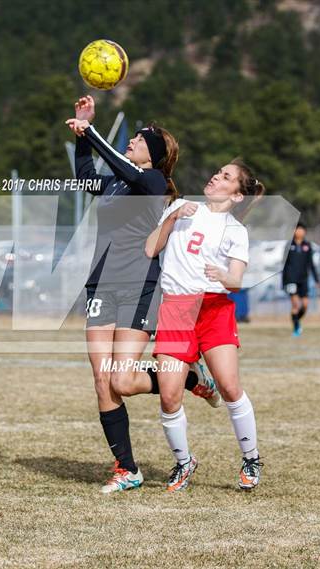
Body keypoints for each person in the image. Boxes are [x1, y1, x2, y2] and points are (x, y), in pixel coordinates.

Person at [66, 95, 221, 494]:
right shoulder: (119, 179)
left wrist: (93, 132)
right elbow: (86, 178)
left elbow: (129, 171)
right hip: (101, 283)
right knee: (103, 382)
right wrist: (83, 136)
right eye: (131, 137)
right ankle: (127, 468)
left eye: (138, 139)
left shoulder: (152, 180)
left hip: (139, 285)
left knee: (123, 381)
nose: (132, 141)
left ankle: (187, 376)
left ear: (153, 152)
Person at [145, 159, 265, 492]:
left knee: (228, 387)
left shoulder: (235, 231)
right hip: (175, 309)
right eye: (218, 172)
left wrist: (222, 275)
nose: (216, 176)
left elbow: (237, 281)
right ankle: (184, 463)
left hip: (213, 309)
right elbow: (150, 248)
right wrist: (170, 219)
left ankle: (251, 458)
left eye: (226, 176)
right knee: (169, 397)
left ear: (237, 195)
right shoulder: (183, 206)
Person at [282, 222, 319, 337]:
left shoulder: (307, 245)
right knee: (296, 305)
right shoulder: (289, 245)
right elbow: (284, 265)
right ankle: (296, 328)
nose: (300, 232)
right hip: (291, 280)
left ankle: (296, 320)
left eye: (302, 230)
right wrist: (283, 282)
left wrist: (316, 279)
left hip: (303, 280)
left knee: (305, 305)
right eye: (298, 229)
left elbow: (311, 264)